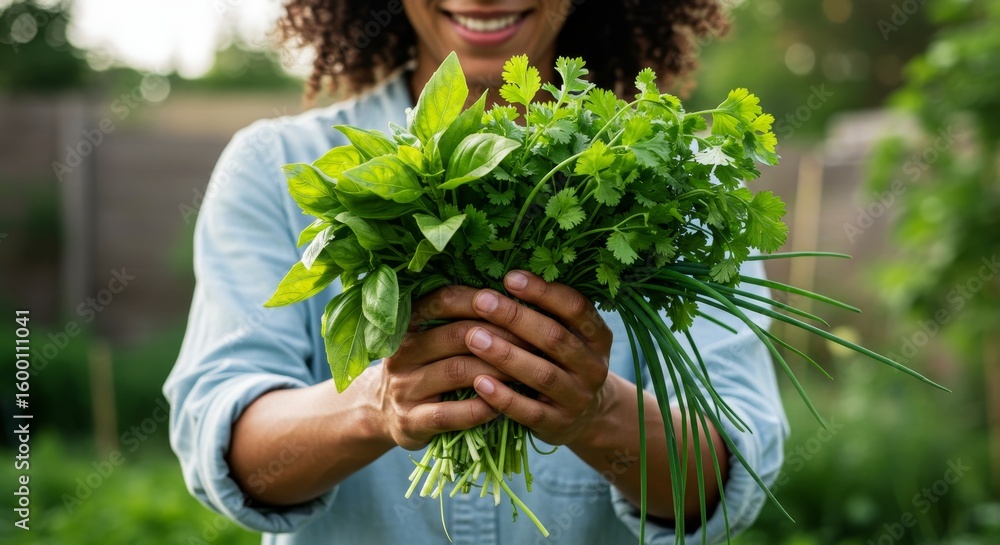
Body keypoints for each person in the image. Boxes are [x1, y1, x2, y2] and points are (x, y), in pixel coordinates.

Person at [164, 1, 788, 543]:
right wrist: (375, 405)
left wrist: (597, 413)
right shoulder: (281, 167)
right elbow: (225, 441)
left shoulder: (669, 183)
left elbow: (729, 472)